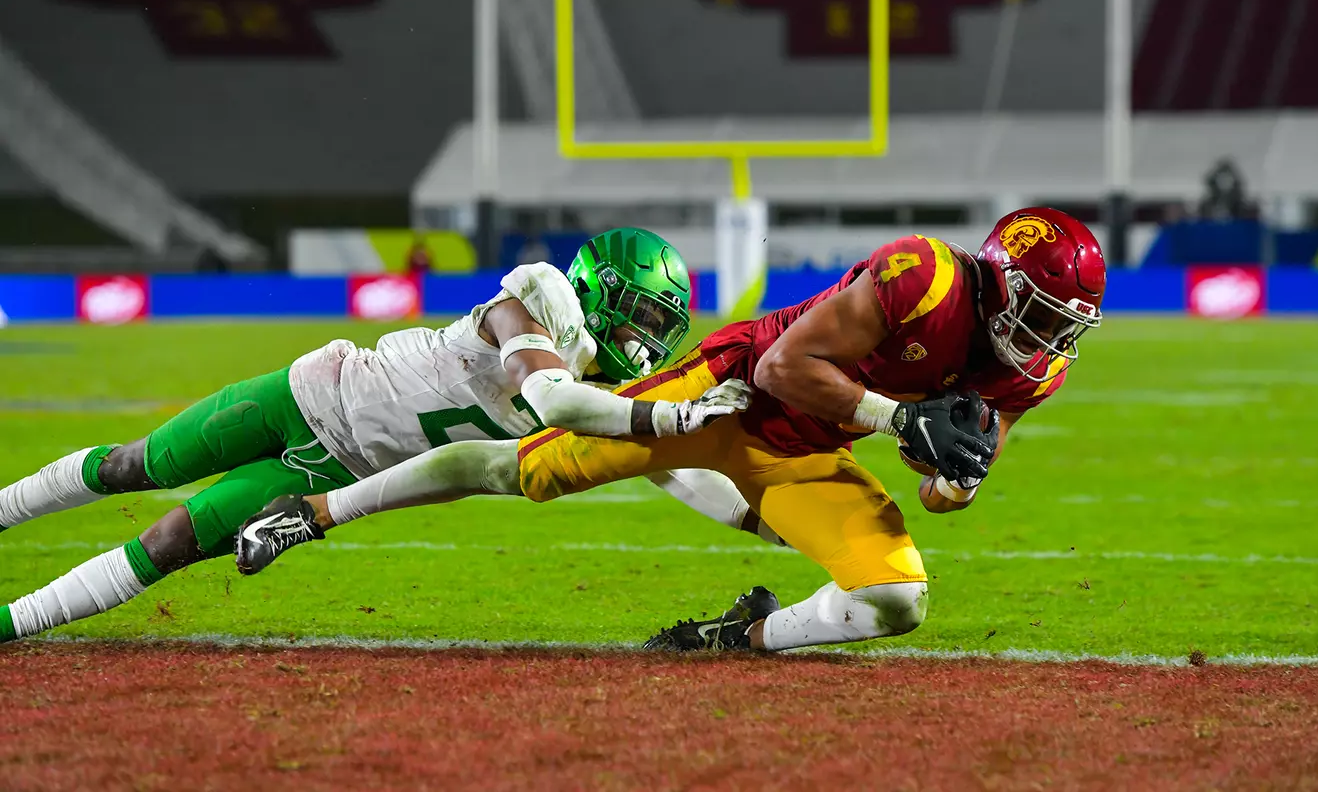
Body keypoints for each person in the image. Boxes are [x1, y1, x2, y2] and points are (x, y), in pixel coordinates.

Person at [237, 208, 1107, 653]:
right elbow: (781, 371)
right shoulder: (921, 277)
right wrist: (897, 417)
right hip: (718, 396)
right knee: (519, 471)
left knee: (896, 600)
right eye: (1038, 311)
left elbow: (944, 486)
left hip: (805, 453)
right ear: (997, 280)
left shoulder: (1036, 367)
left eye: (1063, 323)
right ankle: (316, 510)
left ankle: (744, 636)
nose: (1046, 339)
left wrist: (954, 476)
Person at [0, 228, 754, 643]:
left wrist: (758, 517)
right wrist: (668, 413)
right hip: (305, 395)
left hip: (334, 471)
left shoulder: (612, 396)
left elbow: (673, 469)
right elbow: (551, 398)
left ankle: (12, 623)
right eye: (643, 316)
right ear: (599, 288)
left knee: (170, 542)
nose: (649, 340)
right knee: (141, 464)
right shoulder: (539, 294)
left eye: (662, 327)